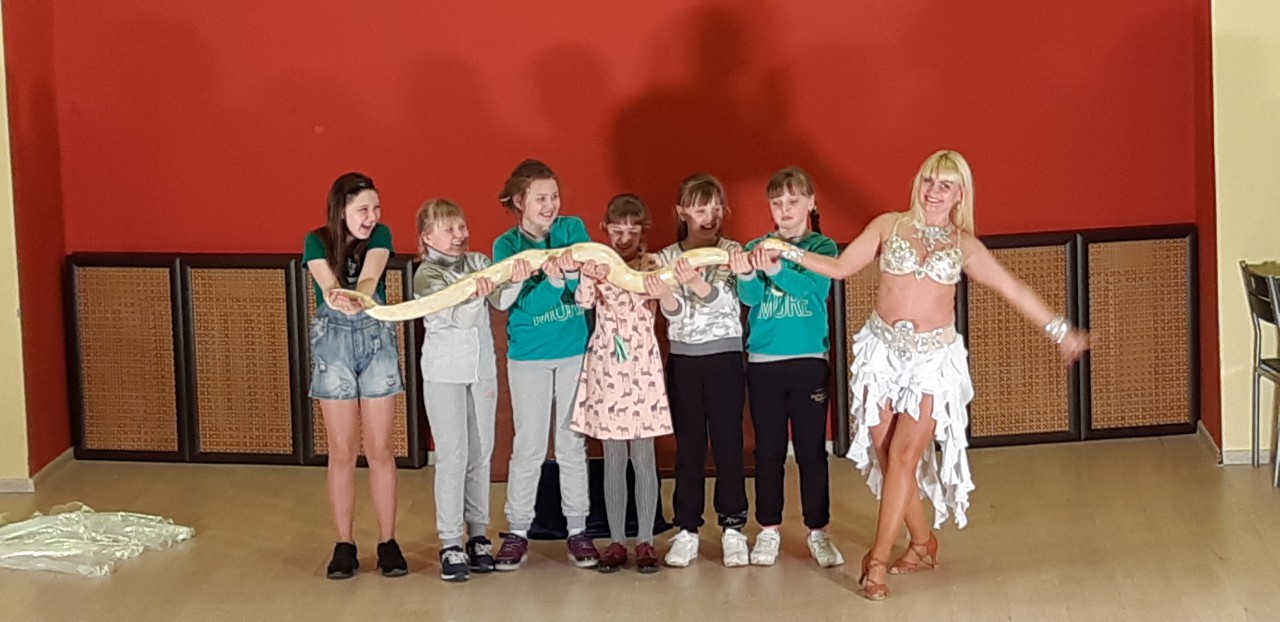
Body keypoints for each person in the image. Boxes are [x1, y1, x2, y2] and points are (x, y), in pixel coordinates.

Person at [781, 150, 1089, 600]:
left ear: (961, 194)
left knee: (905, 456)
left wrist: (1061, 332)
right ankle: (922, 541)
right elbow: (841, 268)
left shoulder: (965, 245)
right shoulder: (889, 226)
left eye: (945, 185)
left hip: (932, 362)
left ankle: (877, 561)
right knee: (888, 457)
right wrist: (786, 252)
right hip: (881, 355)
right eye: (928, 180)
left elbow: (1011, 287)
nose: (933, 191)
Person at [490, 159, 600, 570]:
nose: (550, 205)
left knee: (571, 443)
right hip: (529, 357)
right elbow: (524, 306)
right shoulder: (507, 246)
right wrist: (554, 280)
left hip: (572, 352)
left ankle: (578, 529)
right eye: (540, 198)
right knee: (530, 445)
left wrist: (569, 277)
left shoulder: (572, 229)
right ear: (520, 201)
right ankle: (518, 530)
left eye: (554, 196)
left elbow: (586, 282)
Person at [733, 167, 844, 569]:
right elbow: (751, 299)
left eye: (793, 201)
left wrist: (778, 269)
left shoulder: (823, 248)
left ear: (810, 203)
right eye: (777, 202)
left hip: (809, 361)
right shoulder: (757, 246)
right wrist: (748, 273)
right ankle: (768, 529)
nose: (785, 209)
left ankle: (818, 530)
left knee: (812, 451)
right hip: (764, 362)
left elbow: (814, 290)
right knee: (769, 451)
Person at [302, 172, 407, 579]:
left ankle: (388, 541)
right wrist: (337, 296)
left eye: (376, 208)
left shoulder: (381, 235)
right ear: (341, 210)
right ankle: (344, 543)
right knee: (342, 450)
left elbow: (370, 277)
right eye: (363, 209)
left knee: (380, 447)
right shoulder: (316, 241)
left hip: (375, 336)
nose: (371, 216)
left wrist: (357, 295)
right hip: (333, 341)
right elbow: (326, 282)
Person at [571, 194, 674, 573]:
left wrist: (665, 291)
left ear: (643, 230)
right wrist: (586, 273)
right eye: (617, 230)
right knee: (613, 459)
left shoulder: (654, 264)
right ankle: (616, 541)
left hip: (642, 371)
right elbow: (583, 302)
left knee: (644, 458)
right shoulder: (599, 263)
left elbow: (672, 308)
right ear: (606, 229)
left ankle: (645, 540)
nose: (624, 237)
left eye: (632, 230)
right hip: (607, 370)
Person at [656, 173, 752, 568]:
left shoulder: (731, 252)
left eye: (715, 208)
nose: (709, 216)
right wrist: (665, 291)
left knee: (728, 443)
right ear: (682, 212)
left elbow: (724, 302)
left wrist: (694, 280)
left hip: (724, 357)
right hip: (684, 359)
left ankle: (733, 527)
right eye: (699, 209)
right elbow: (673, 312)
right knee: (689, 447)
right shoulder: (665, 257)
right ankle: (687, 529)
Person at [412, 198, 500, 582]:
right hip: (444, 374)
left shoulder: (478, 262)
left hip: (481, 373)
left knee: (481, 454)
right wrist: (475, 294)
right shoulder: (425, 276)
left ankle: (478, 535)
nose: (459, 235)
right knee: (453, 456)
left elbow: (502, 298)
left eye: (461, 227)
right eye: (448, 229)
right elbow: (457, 317)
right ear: (427, 237)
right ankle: (450, 541)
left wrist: (514, 276)